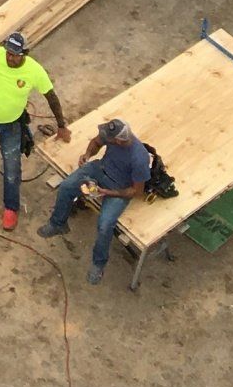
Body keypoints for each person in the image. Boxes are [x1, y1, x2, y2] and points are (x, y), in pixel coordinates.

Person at [0, 26, 70, 229]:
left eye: (15, 55)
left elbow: (51, 96)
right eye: (8, 53)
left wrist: (61, 125)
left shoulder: (34, 71)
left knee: (12, 167)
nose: (10, 58)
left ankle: (11, 207)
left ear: (26, 54)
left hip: (11, 124)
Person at [39, 116, 152, 283]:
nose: (106, 138)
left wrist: (108, 192)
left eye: (110, 139)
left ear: (119, 141)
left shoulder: (139, 158)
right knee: (66, 186)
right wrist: (87, 155)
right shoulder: (112, 135)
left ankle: (98, 264)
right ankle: (58, 224)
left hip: (118, 187)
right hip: (99, 169)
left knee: (105, 224)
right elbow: (96, 142)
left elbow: (136, 191)